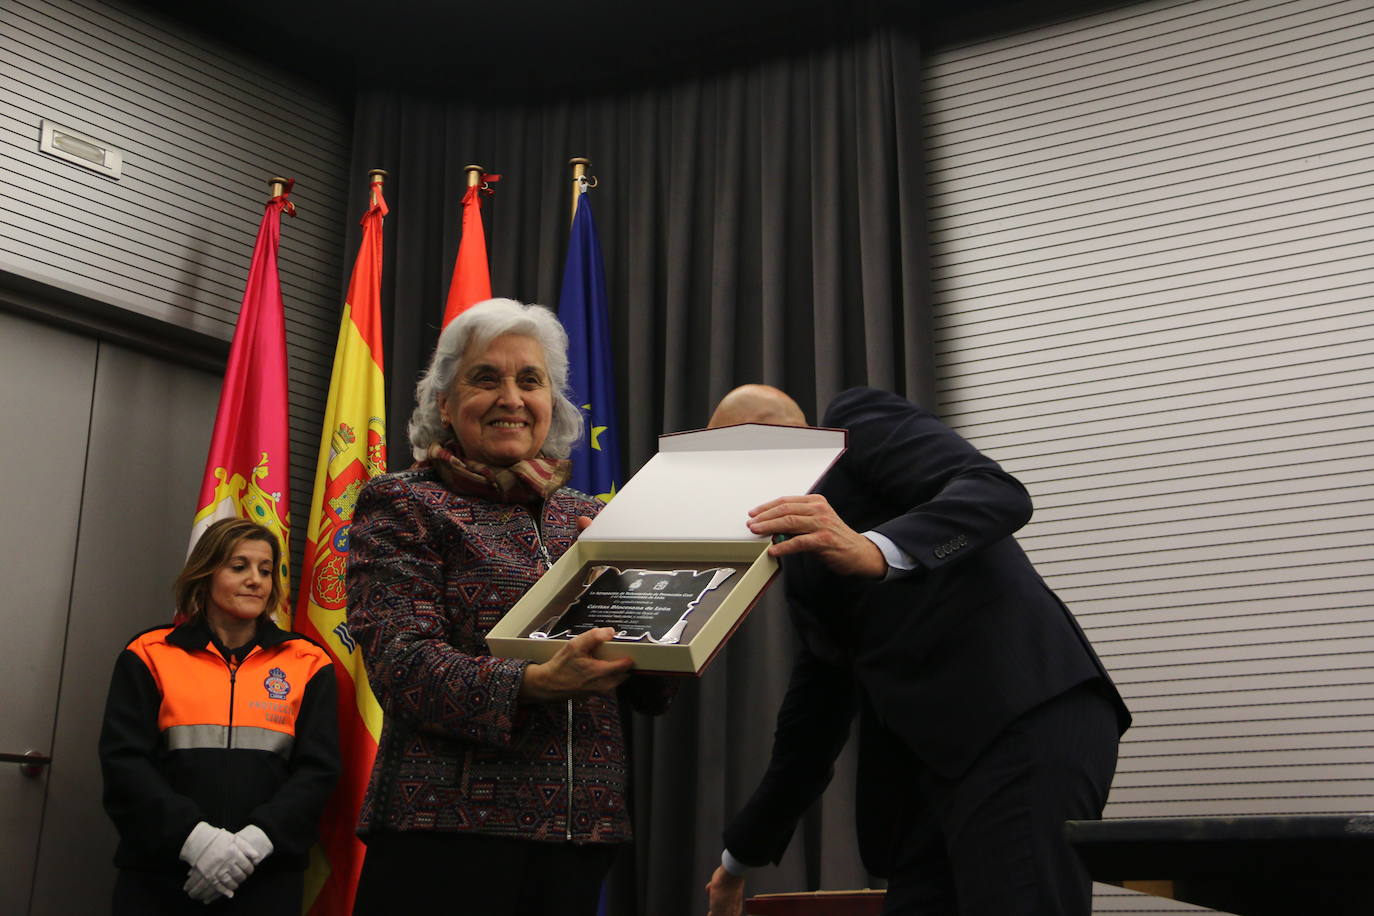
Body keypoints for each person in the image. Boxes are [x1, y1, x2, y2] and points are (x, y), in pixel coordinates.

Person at [703, 384, 1132, 916]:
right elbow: (812, 724)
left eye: (720, 452)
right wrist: (736, 862)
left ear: (775, 432)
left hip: (1020, 720)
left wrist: (879, 548)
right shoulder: (804, 562)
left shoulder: (856, 424)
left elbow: (997, 491)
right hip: (928, 777)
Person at [347, 298, 672, 914]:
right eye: (485, 378)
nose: (512, 397)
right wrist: (532, 683)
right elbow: (402, 664)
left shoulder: (591, 517)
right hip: (446, 837)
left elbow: (645, 679)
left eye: (531, 380)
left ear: (553, 404)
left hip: (581, 837)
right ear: (443, 403)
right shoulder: (403, 503)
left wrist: (695, 617)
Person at [99, 517, 340, 915]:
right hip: (162, 874)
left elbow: (318, 771)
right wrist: (196, 842)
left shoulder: (308, 661)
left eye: (266, 570)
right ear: (206, 572)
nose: (256, 580)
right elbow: (125, 764)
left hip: (265, 876)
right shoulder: (148, 653)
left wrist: (252, 846)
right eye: (239, 566)